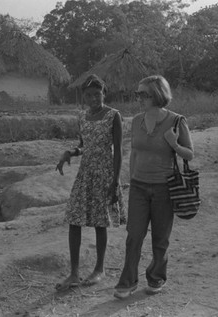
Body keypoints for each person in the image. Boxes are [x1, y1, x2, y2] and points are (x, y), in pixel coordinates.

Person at [114, 75, 194, 299]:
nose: (138, 98)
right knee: (134, 235)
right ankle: (127, 281)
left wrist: (173, 143)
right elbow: (135, 152)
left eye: (143, 94)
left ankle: (156, 277)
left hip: (164, 188)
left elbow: (190, 153)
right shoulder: (137, 120)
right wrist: (130, 180)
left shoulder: (177, 121)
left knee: (160, 238)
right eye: (137, 93)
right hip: (139, 187)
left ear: (157, 95)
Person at [55, 74, 125, 291]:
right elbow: (85, 145)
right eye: (89, 95)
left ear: (104, 93)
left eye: (97, 94)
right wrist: (71, 152)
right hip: (85, 174)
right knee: (74, 219)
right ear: (83, 97)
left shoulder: (114, 116)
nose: (94, 98)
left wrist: (114, 182)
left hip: (104, 174)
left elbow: (118, 152)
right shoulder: (83, 117)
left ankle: (99, 269)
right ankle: (74, 273)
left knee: (99, 221)